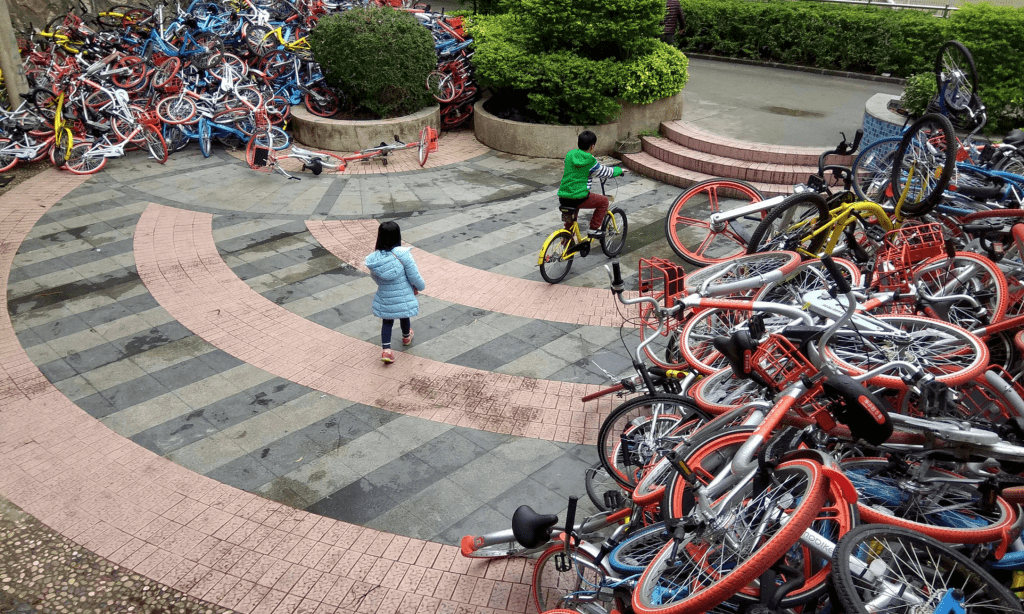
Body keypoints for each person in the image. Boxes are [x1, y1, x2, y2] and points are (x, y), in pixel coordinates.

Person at [365, 221, 426, 364]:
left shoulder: (374, 259)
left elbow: (374, 276)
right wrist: (420, 286)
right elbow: (413, 275)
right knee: (404, 315)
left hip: (385, 294)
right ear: (397, 236)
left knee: (387, 321)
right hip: (404, 293)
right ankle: (406, 336)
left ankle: (386, 351)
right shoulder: (403, 254)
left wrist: (384, 284)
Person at [557, 130, 626, 239]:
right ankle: (593, 229)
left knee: (570, 224)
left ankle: (565, 248)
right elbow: (605, 172)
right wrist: (619, 170)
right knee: (603, 201)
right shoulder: (590, 160)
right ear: (592, 146)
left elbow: (568, 164)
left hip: (563, 197)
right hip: (579, 197)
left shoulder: (570, 155)